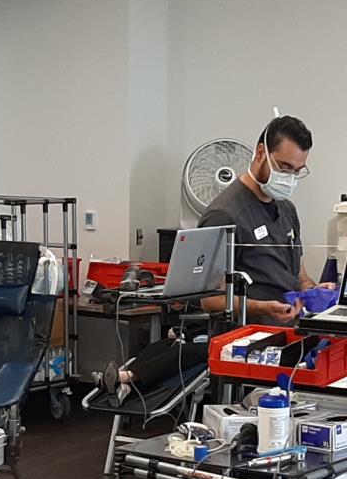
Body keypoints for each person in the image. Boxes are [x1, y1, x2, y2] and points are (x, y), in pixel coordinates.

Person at [95, 115, 332, 406]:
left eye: (297, 171)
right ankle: (127, 380)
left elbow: (298, 273)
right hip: (245, 341)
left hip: (287, 335)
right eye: (284, 167)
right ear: (260, 154)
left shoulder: (287, 210)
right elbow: (210, 300)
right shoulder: (225, 215)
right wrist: (259, 307)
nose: (289, 178)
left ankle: (126, 379)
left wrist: (314, 292)